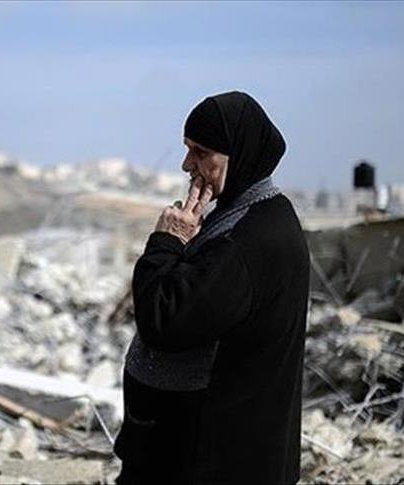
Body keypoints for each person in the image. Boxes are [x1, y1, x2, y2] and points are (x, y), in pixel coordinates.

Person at [114, 91, 309, 484]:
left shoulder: (248, 240)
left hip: (217, 460)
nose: (188, 165)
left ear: (239, 154)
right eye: (188, 149)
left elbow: (165, 320)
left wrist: (167, 242)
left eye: (201, 152)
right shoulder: (245, 218)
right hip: (202, 451)